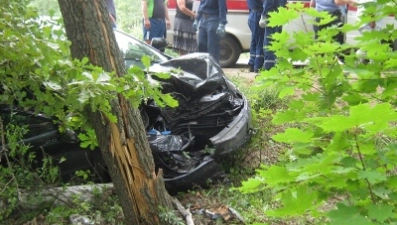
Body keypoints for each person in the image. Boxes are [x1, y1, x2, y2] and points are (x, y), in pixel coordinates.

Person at [259, 0, 286, 70]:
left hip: (272, 16)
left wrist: (264, 15)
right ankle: (276, 67)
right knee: (277, 43)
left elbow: (269, 1)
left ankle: (269, 68)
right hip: (279, 15)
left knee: (269, 43)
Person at [247, 0, 265, 73]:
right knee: (260, 42)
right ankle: (258, 67)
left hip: (252, 15)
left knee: (254, 41)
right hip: (258, 15)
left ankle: (252, 64)